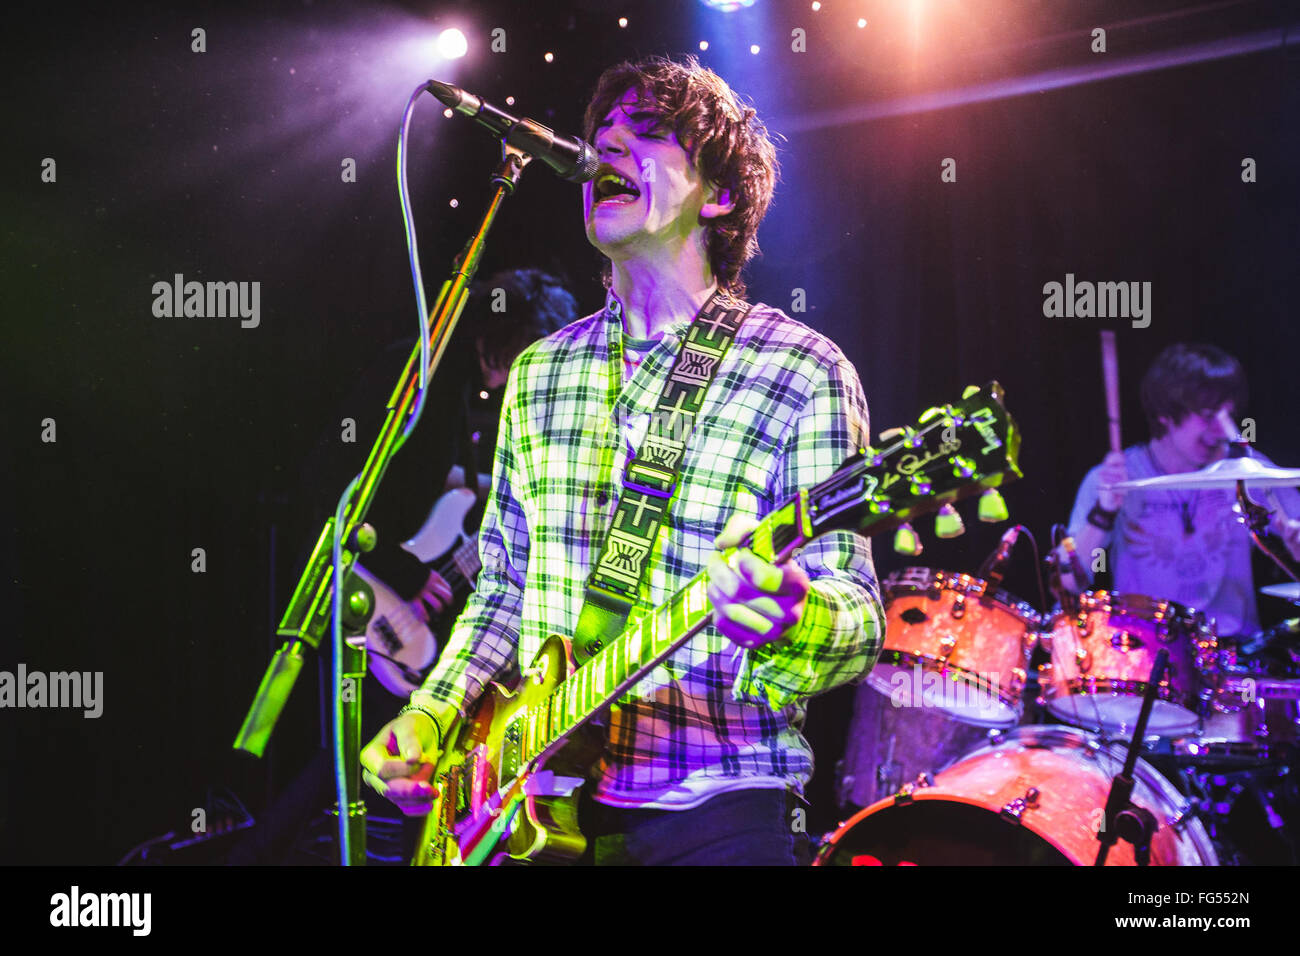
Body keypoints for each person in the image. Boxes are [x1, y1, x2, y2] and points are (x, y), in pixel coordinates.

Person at [361, 55, 883, 865]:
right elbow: (505, 586)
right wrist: (432, 713)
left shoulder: (801, 370)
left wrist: (794, 613)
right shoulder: (540, 374)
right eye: (601, 137)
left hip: (719, 802)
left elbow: (859, 619)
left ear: (718, 197)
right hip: (530, 810)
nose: (606, 150)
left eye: (646, 138)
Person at [1062, 343, 1300, 638]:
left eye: (1228, 414)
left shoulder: (1248, 473)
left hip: (1233, 659)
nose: (1221, 429)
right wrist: (1104, 512)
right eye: (1209, 414)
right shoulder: (1114, 477)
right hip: (1142, 655)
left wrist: (1295, 550)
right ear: (1166, 413)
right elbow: (1067, 582)